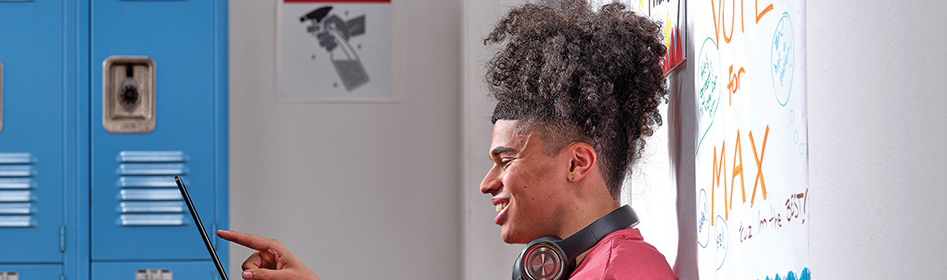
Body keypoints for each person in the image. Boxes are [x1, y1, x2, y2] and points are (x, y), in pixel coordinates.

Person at [216, 1, 674, 279]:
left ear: (576, 163)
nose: (487, 183)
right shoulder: (584, 267)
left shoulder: (624, 273)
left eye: (505, 160)